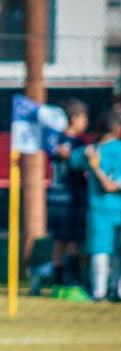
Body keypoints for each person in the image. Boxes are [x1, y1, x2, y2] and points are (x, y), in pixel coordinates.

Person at [31, 99, 89, 294]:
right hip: (71, 200)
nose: (85, 122)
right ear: (74, 118)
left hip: (55, 198)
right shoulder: (77, 144)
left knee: (59, 242)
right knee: (73, 242)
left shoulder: (55, 141)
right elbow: (80, 172)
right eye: (83, 117)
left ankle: (51, 277)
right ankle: (70, 282)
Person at [76, 110, 121, 301]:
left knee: (99, 250)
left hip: (97, 210)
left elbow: (69, 158)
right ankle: (116, 290)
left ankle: (98, 292)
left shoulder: (90, 150)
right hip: (117, 210)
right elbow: (111, 186)